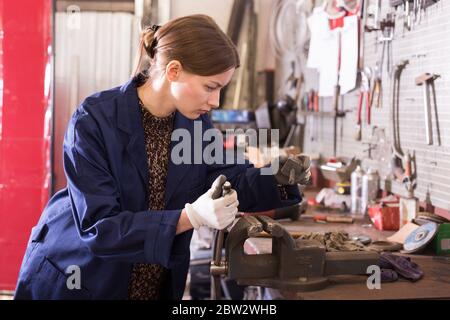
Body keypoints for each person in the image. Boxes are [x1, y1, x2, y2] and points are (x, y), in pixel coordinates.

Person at [14, 14, 309, 300]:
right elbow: (100, 229)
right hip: (80, 278)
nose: (215, 101)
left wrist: (282, 177)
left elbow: (225, 179)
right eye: (210, 87)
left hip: (151, 284)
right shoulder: (94, 120)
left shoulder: (194, 123)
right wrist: (189, 217)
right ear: (174, 71)